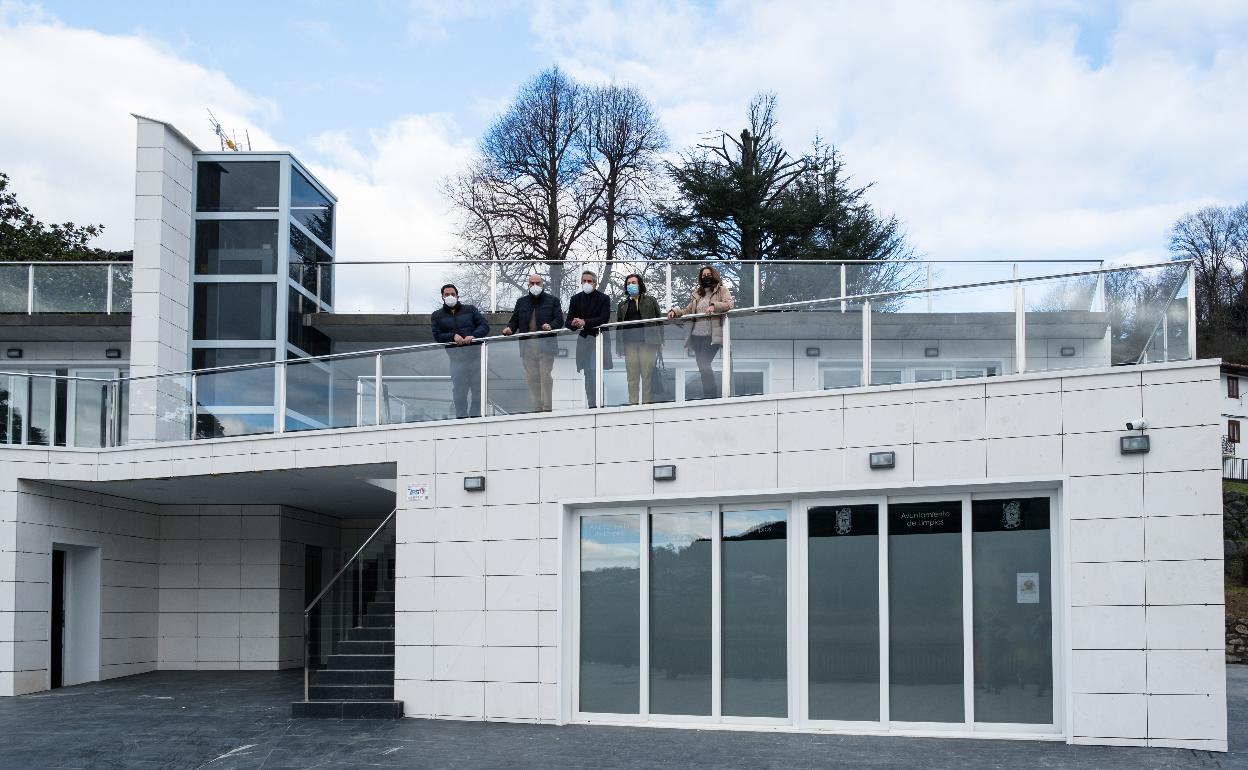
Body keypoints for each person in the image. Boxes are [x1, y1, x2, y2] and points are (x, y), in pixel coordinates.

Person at [668, 264, 734, 399]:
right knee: (702, 366)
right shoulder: (698, 294)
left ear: (714, 276)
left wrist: (714, 306)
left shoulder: (721, 290)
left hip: (712, 336)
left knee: (704, 364)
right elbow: (687, 311)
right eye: (703, 275)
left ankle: (711, 395)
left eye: (708, 275)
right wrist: (674, 312)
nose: (706, 277)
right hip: (696, 336)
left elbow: (729, 304)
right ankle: (707, 395)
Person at [502, 274, 564, 412]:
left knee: (545, 376)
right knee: (532, 378)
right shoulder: (521, 302)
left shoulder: (553, 300)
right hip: (527, 347)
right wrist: (509, 328)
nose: (535, 286)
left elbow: (559, 320)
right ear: (528, 285)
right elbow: (514, 320)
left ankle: (547, 408)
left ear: (542, 285)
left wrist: (551, 326)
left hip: (546, 346)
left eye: (538, 283)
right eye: (532, 283)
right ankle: (537, 408)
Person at [430, 283, 489, 418]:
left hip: (475, 357)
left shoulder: (470, 309)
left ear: (457, 296)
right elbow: (437, 336)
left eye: (452, 294)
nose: (450, 296)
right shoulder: (437, 315)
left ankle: (476, 417)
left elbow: (484, 326)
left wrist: (473, 335)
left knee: (478, 390)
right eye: (447, 294)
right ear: (442, 297)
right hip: (456, 360)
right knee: (459, 393)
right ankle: (461, 418)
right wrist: (452, 336)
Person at [566, 270, 612, 408]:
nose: (586, 283)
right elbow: (567, 322)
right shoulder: (575, 299)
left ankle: (599, 403)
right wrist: (574, 323)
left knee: (595, 371)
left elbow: (604, 318)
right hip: (584, 341)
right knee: (588, 372)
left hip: (599, 339)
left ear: (595, 283)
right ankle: (592, 404)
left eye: (589, 281)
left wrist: (584, 322)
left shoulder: (604, 298)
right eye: (584, 281)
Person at [616, 273, 663, 405]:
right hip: (629, 344)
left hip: (648, 343)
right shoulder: (622, 304)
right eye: (628, 283)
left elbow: (659, 321)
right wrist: (619, 347)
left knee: (647, 375)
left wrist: (660, 341)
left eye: (633, 283)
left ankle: (647, 404)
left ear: (640, 285)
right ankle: (633, 404)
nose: (630, 285)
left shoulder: (651, 300)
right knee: (632, 377)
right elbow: (619, 327)